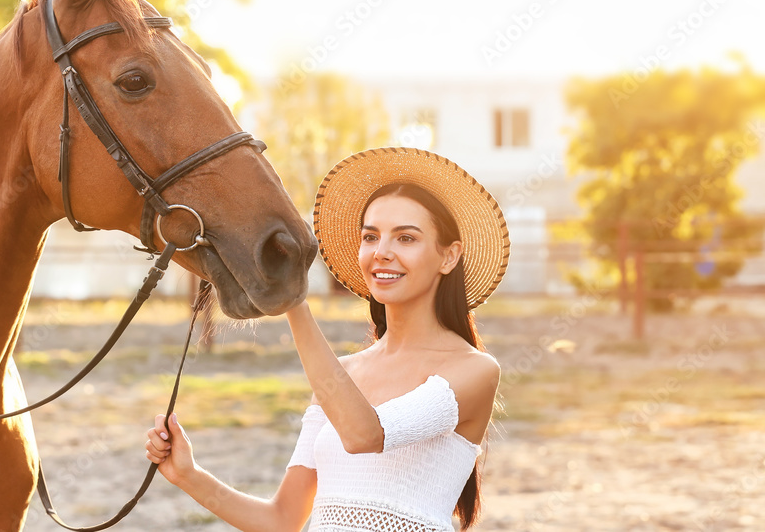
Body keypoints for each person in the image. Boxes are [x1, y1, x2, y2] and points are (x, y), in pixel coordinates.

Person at [145, 147, 510, 531]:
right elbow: (283, 519)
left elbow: (365, 434)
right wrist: (188, 474)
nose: (382, 252)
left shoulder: (474, 371)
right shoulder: (342, 376)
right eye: (371, 237)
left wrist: (292, 300)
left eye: (406, 238)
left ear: (449, 256)